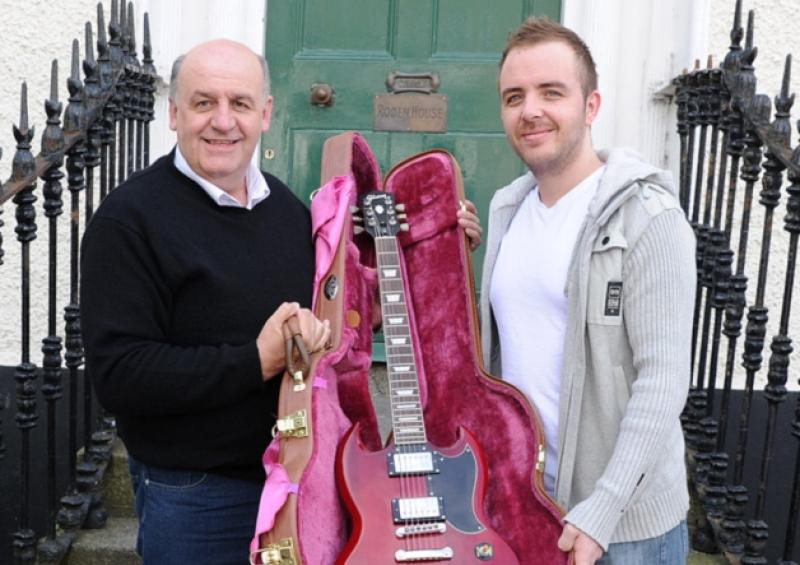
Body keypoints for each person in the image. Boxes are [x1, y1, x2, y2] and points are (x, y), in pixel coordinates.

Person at [80, 39, 330, 565]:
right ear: (173, 114)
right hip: (195, 495)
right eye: (203, 103)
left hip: (298, 481)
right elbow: (120, 375)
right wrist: (255, 360)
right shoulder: (129, 221)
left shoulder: (287, 210)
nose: (223, 121)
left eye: (239, 103)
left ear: (265, 114)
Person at [478, 17, 695, 565]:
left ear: (591, 105)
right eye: (514, 96)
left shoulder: (649, 218)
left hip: (623, 531)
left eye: (552, 92)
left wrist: (602, 510)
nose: (530, 110)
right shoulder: (507, 210)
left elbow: (663, 381)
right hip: (524, 505)